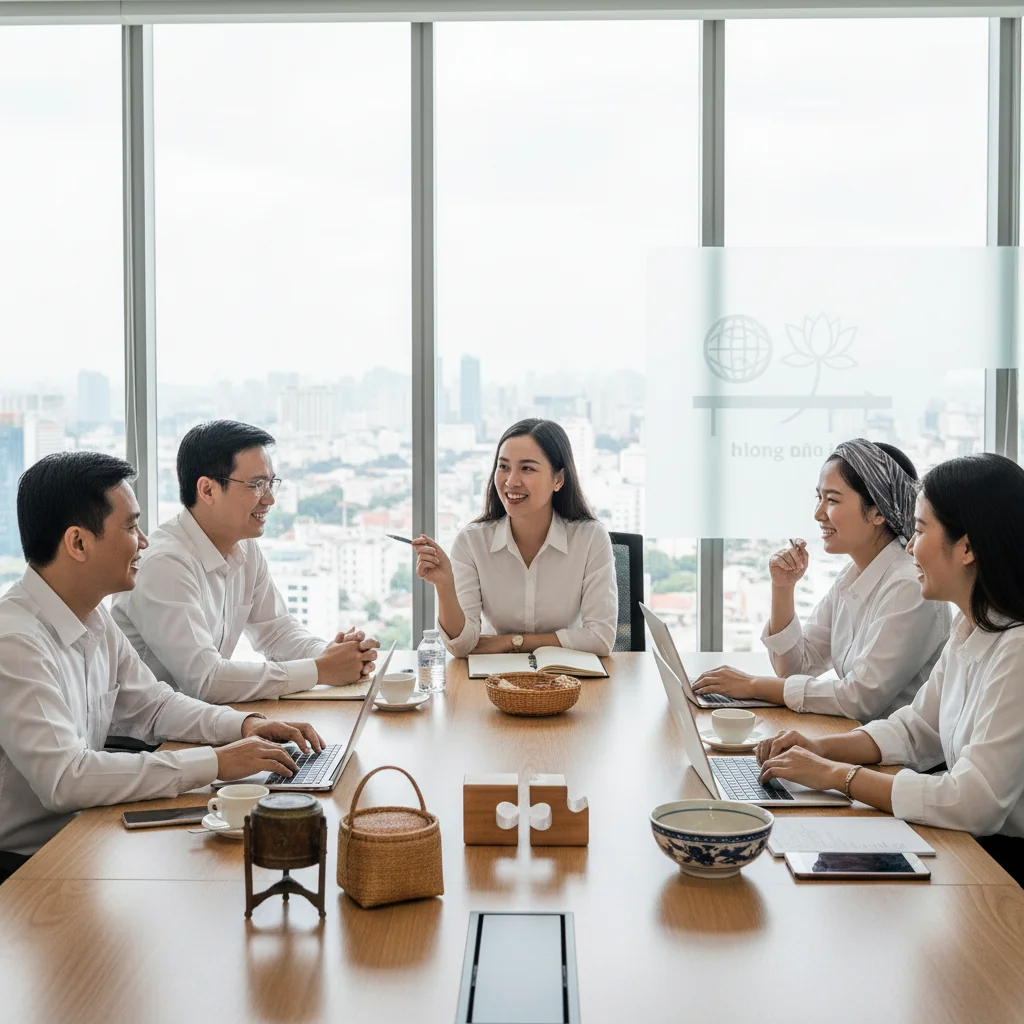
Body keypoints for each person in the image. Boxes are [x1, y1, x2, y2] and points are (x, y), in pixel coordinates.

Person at [0, 452, 323, 884]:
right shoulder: (15, 641)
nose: (143, 542)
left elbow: (154, 706)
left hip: (86, 833)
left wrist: (245, 725)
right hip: (25, 866)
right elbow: (65, 779)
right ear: (78, 543)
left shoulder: (94, 619)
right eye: (130, 528)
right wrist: (216, 762)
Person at [756, 453, 1024, 884]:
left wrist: (837, 776)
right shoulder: (968, 629)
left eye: (920, 530)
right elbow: (915, 729)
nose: (910, 547)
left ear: (967, 548)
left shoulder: (1016, 650)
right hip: (972, 843)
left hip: (1004, 866)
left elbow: (976, 802)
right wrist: (820, 748)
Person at [112, 421, 378, 703]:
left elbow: (276, 632)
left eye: (271, 483)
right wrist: (320, 669)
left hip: (200, 719)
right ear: (208, 490)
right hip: (148, 730)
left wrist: (334, 655)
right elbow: (206, 681)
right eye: (257, 485)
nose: (270, 499)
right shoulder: (165, 564)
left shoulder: (244, 547)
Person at [693, 439, 950, 722]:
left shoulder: (908, 586)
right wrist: (783, 588)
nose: (818, 514)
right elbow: (795, 669)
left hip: (893, 749)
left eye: (832, 500)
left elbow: (859, 699)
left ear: (878, 511)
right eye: (819, 498)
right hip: (855, 737)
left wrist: (753, 686)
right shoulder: (851, 577)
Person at [412, 418, 617, 657]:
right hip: (493, 677)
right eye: (504, 467)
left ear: (558, 479)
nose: (511, 482)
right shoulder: (471, 542)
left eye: (527, 468)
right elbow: (462, 646)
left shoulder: (590, 538)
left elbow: (601, 638)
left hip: (566, 675)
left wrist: (512, 642)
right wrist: (445, 586)